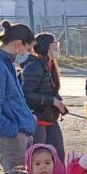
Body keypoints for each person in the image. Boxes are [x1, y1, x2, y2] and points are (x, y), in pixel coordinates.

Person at [0, 20, 36, 171]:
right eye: (26, 49)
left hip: (18, 133)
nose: (24, 54)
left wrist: (27, 118)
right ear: (18, 43)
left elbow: (12, 100)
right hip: (11, 138)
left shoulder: (4, 63)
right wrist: (13, 131)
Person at [21, 33, 66, 161]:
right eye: (54, 44)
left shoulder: (48, 64)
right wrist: (52, 101)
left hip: (49, 116)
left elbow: (49, 88)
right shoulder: (34, 66)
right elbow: (27, 94)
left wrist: (58, 103)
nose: (56, 47)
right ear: (48, 46)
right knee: (38, 158)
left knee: (58, 156)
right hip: (38, 118)